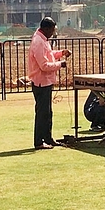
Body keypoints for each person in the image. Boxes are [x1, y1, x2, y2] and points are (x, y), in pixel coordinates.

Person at [28, 17, 72, 149]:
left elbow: (48, 54)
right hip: (41, 81)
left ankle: (47, 137)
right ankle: (39, 141)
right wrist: (60, 64)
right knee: (42, 113)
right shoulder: (38, 42)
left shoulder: (42, 39)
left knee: (47, 112)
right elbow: (44, 65)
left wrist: (60, 53)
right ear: (46, 29)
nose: (53, 33)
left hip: (46, 81)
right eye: (52, 30)